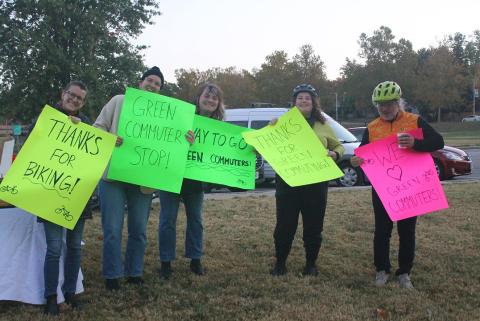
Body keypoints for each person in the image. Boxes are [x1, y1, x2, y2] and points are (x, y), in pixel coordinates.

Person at [350, 81, 444, 289]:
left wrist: (416, 144)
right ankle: (382, 269)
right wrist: (356, 160)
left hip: (410, 187)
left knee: (407, 231)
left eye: (390, 103)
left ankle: (404, 272)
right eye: (381, 104)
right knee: (382, 230)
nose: (385, 108)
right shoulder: (373, 127)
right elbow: (362, 152)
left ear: (399, 103)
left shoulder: (415, 121)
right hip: (384, 189)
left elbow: (438, 142)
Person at [93, 66, 164, 290]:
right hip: (113, 177)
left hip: (142, 181)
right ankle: (112, 275)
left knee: (139, 230)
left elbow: (170, 142)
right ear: (140, 82)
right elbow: (97, 128)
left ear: (159, 91)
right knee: (112, 229)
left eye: (157, 84)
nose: (152, 86)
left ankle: (134, 272)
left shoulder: (163, 114)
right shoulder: (119, 101)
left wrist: (186, 139)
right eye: (150, 81)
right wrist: (111, 138)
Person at [271, 84, 344, 277]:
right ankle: (280, 263)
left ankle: (311, 264)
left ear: (313, 103)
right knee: (284, 225)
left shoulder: (323, 124)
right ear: (293, 102)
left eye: (307, 98)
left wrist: (335, 154)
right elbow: (269, 142)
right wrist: (272, 128)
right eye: (300, 98)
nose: (304, 101)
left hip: (316, 184)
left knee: (313, 226)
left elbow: (339, 146)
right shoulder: (282, 122)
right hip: (289, 183)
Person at [158, 83, 224, 280]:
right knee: (167, 220)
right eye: (207, 96)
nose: (210, 100)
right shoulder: (181, 116)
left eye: (214, 98)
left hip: (195, 182)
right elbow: (164, 136)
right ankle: (166, 263)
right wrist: (181, 138)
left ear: (218, 103)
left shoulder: (220, 128)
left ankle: (195, 260)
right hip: (171, 175)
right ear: (198, 97)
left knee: (196, 220)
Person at [37, 81, 92, 315]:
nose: (75, 100)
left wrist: (81, 130)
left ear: (83, 103)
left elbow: (92, 159)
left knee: (74, 248)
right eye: (72, 95)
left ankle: (70, 292)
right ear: (63, 94)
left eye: (80, 98)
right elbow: (33, 143)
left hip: (76, 196)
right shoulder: (46, 118)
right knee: (54, 248)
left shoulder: (86, 127)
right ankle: (51, 296)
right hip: (51, 194)